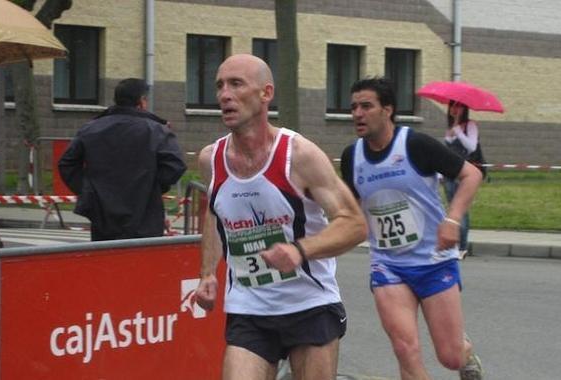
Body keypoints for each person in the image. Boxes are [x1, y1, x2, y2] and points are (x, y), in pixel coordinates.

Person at [194, 54, 367, 380]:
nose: (224, 95)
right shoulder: (210, 159)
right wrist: (207, 274)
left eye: (236, 84)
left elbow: (354, 223)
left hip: (309, 303)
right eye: (219, 86)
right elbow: (215, 213)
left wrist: (300, 251)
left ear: (266, 93)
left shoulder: (298, 155)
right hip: (249, 308)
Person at [340, 77, 485, 380]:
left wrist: (453, 220)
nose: (357, 113)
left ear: (387, 110)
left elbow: (471, 175)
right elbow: (350, 209)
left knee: (450, 356)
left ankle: (465, 349)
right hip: (388, 264)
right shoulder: (352, 157)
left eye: (366, 106)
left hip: (433, 261)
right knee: (405, 350)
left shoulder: (415, 145)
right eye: (353, 107)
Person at [58, 78, 186, 241]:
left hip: (103, 215)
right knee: (143, 262)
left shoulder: (91, 129)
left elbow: (67, 164)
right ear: (141, 101)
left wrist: (88, 190)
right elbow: (175, 166)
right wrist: (151, 186)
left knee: (106, 261)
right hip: (145, 215)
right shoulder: (156, 130)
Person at [442, 100, 486, 258]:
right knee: (451, 208)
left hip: (464, 173)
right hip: (449, 174)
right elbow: (447, 151)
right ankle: (453, 244)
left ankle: (462, 246)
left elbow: (472, 147)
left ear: (464, 108)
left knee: (461, 209)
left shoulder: (470, 125)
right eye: (452, 106)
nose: (455, 109)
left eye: (458, 106)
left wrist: (458, 131)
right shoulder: (450, 128)